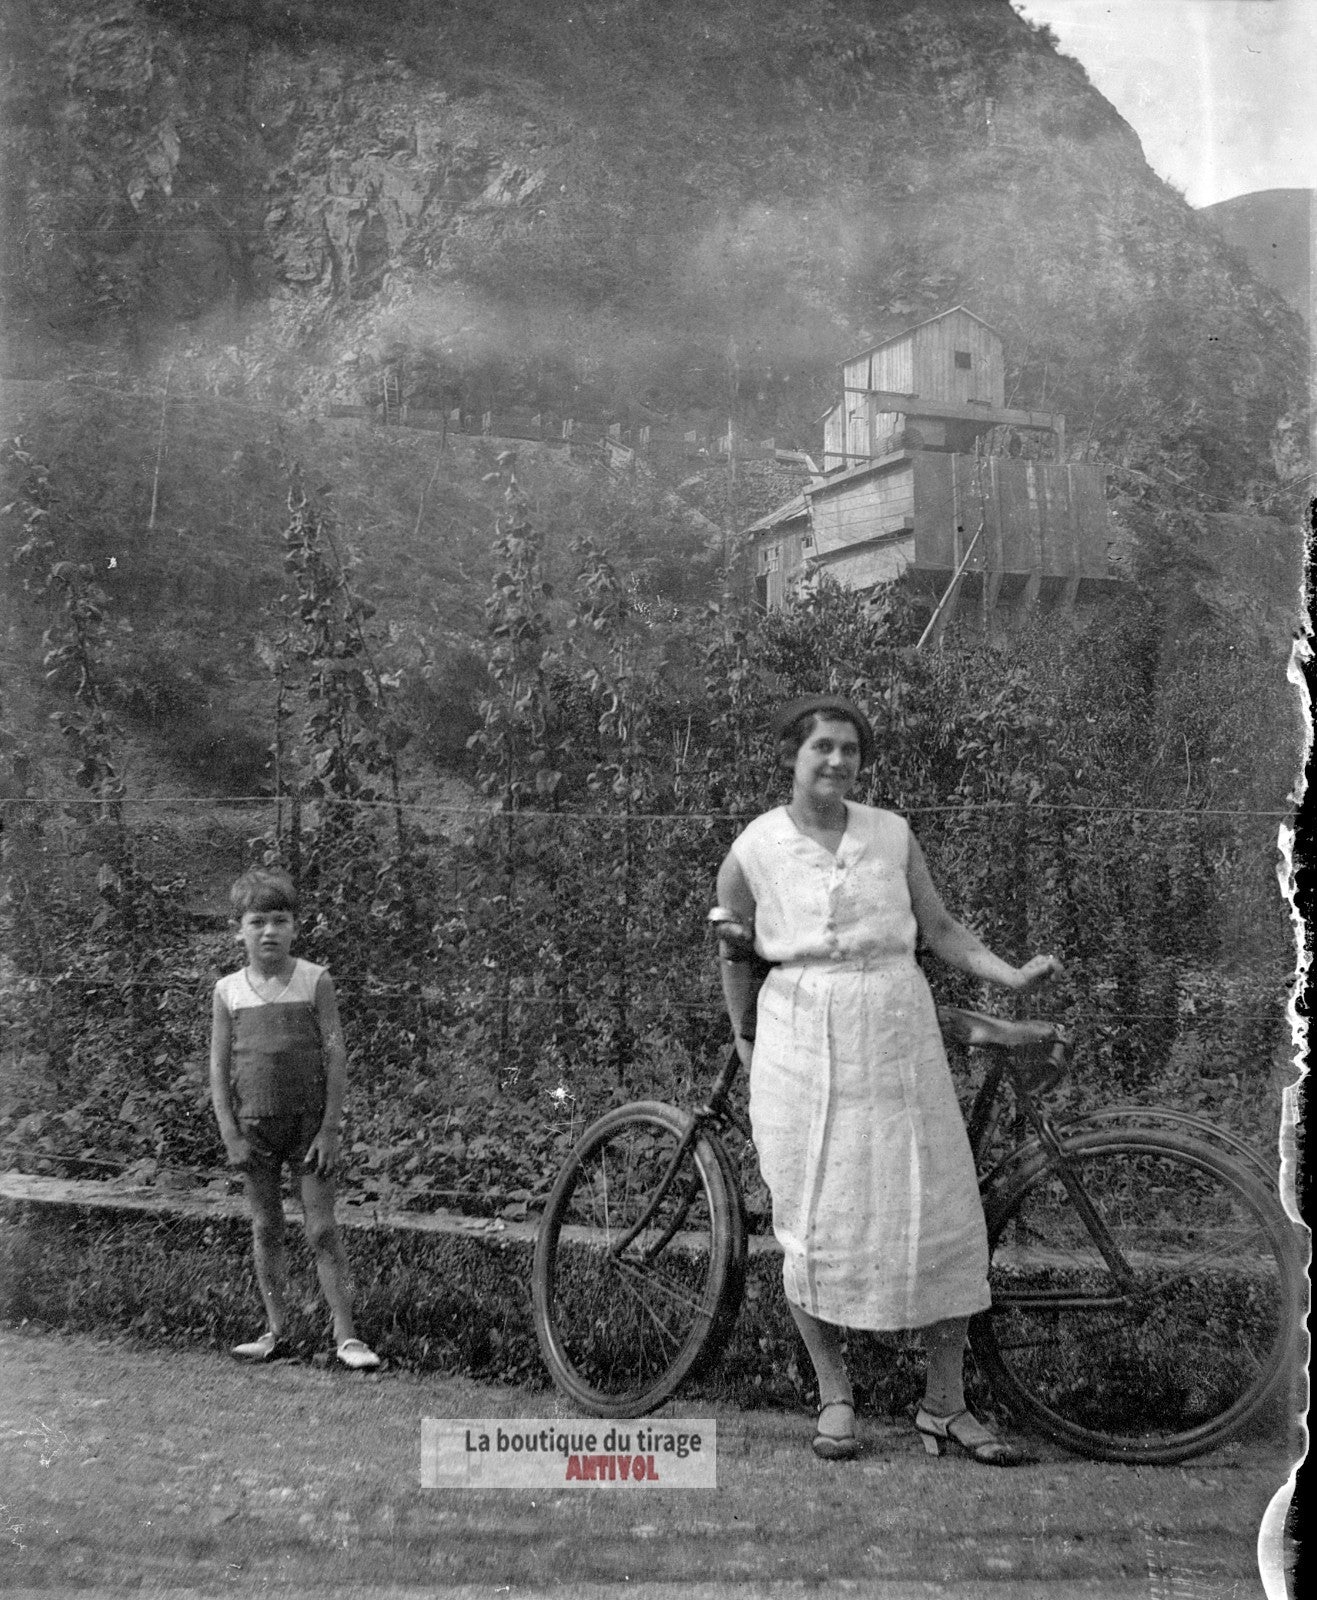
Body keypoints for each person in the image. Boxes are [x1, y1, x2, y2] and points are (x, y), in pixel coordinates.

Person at [713, 695, 1060, 1465]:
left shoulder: (891, 834)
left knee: (936, 1211)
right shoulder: (756, 846)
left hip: (897, 1038)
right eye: (822, 748)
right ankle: (835, 1396)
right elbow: (732, 945)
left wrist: (1009, 975)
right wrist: (744, 1033)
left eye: (849, 751)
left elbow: (938, 931)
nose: (836, 762)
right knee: (813, 1215)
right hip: (801, 1041)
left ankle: (945, 1404)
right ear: (792, 757)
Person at [209, 867, 380, 1371]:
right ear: (238, 929)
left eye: (280, 920)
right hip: (253, 1127)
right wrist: (229, 1132)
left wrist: (329, 1129)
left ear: (295, 927)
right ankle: (275, 1329)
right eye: (257, 921)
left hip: (309, 1130)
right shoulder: (228, 991)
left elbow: (335, 1055)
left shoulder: (314, 980)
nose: (269, 931)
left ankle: (346, 1336)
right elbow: (218, 1068)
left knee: (322, 1230)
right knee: (266, 1227)